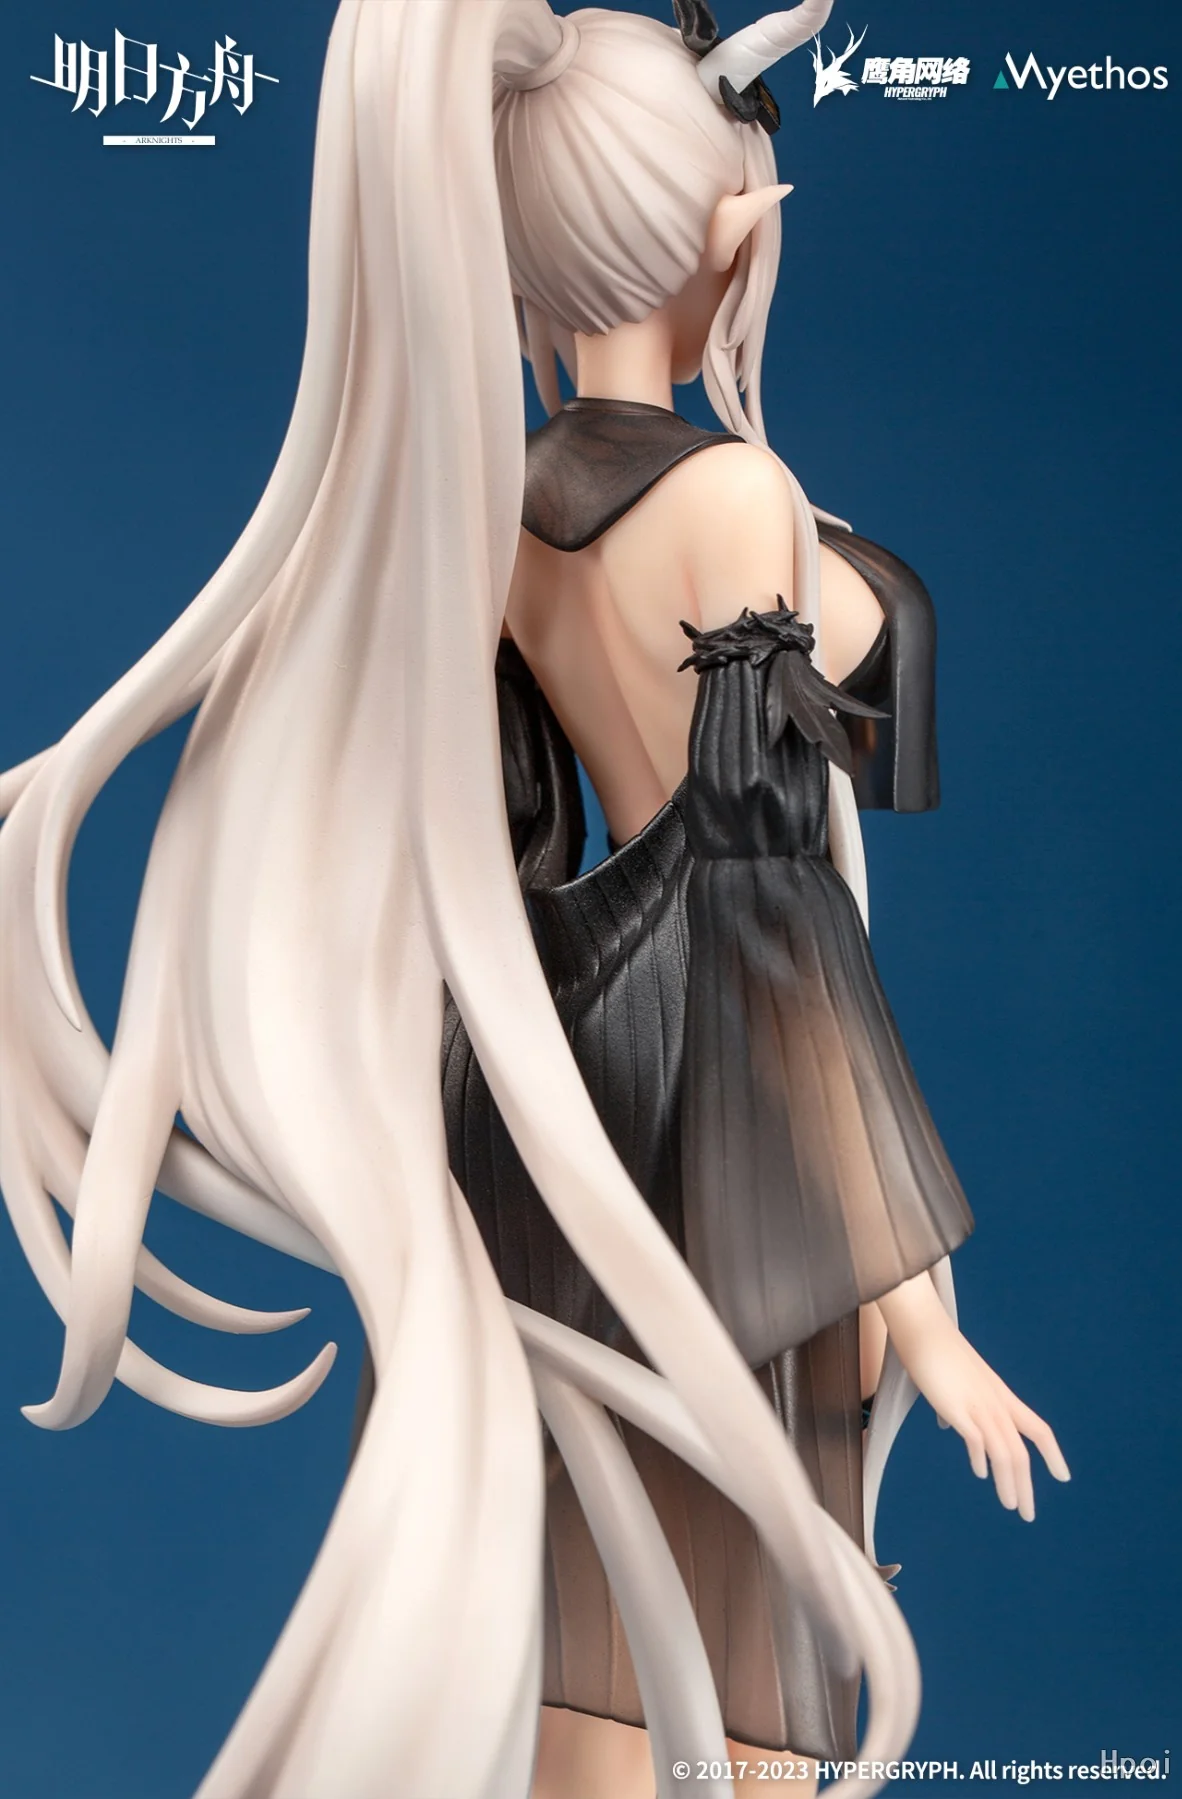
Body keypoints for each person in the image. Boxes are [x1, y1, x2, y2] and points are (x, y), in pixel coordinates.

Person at [0, 5, 1068, 1797]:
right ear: (731, 228)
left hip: (552, 1080)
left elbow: (517, 826)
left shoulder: (499, 519)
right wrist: (925, 1317)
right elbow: (775, 912)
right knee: (730, 1682)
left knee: (580, 1637)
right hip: (722, 1118)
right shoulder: (737, 494)